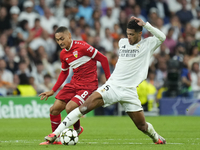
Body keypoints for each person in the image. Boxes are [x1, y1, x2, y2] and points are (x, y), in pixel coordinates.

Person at [43, 16, 167, 144]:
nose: (128, 37)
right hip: (112, 86)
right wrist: (109, 79)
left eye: (132, 34)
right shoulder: (122, 43)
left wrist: (146, 24)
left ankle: (156, 138)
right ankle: (55, 134)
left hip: (129, 91)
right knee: (84, 108)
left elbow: (162, 37)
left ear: (140, 33)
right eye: (127, 34)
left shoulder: (148, 44)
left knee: (142, 126)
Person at [39, 26, 111, 145]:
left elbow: (103, 59)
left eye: (62, 38)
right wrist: (53, 90)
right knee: (54, 109)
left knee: (70, 107)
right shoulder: (63, 54)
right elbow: (64, 72)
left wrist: (109, 80)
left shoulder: (83, 46)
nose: (60, 42)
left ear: (69, 36)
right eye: (57, 40)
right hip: (74, 84)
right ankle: (55, 140)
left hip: (88, 85)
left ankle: (77, 129)